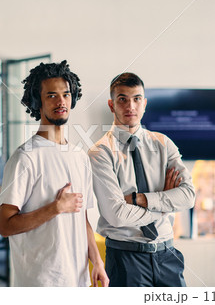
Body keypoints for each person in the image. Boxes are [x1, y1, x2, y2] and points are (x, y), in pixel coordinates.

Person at [0, 60, 109, 287]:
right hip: (40, 282)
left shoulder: (80, 157)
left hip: (77, 280)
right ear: (38, 102)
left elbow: (82, 218)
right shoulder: (25, 158)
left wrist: (96, 261)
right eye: (51, 96)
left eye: (66, 94)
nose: (61, 101)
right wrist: (54, 208)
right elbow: (5, 225)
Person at [88, 72, 196, 287]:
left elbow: (188, 196)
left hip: (168, 256)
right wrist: (165, 204)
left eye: (137, 99)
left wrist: (139, 199)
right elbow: (117, 215)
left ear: (144, 103)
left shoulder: (164, 144)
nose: (131, 106)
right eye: (122, 99)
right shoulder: (100, 152)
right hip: (126, 259)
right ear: (111, 105)